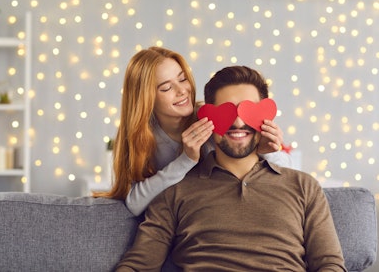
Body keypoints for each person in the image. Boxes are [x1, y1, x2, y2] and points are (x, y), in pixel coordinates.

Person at [115, 65, 346, 271]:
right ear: (206, 118)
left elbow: (330, 264)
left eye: (248, 111)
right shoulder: (174, 191)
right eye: (227, 111)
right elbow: (138, 265)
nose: (237, 122)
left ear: (265, 117)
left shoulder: (303, 186)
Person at [95, 47, 292, 217]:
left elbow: (293, 180)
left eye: (183, 79)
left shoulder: (212, 118)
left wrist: (270, 152)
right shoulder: (139, 135)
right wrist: (186, 160)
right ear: (146, 99)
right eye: (166, 88)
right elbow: (135, 203)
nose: (182, 91)